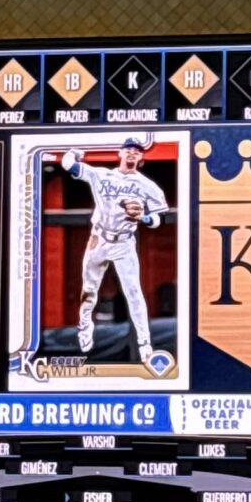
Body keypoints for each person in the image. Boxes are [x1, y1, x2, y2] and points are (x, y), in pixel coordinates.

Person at [58, 138, 173, 361]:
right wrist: (75, 150)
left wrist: (144, 217)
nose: (132, 153)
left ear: (141, 157)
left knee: (134, 293)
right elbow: (67, 163)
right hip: (99, 238)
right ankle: (85, 327)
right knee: (89, 290)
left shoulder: (147, 185)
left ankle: (144, 342)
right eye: (128, 149)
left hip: (123, 242)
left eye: (137, 151)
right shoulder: (101, 175)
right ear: (120, 153)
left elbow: (161, 218)